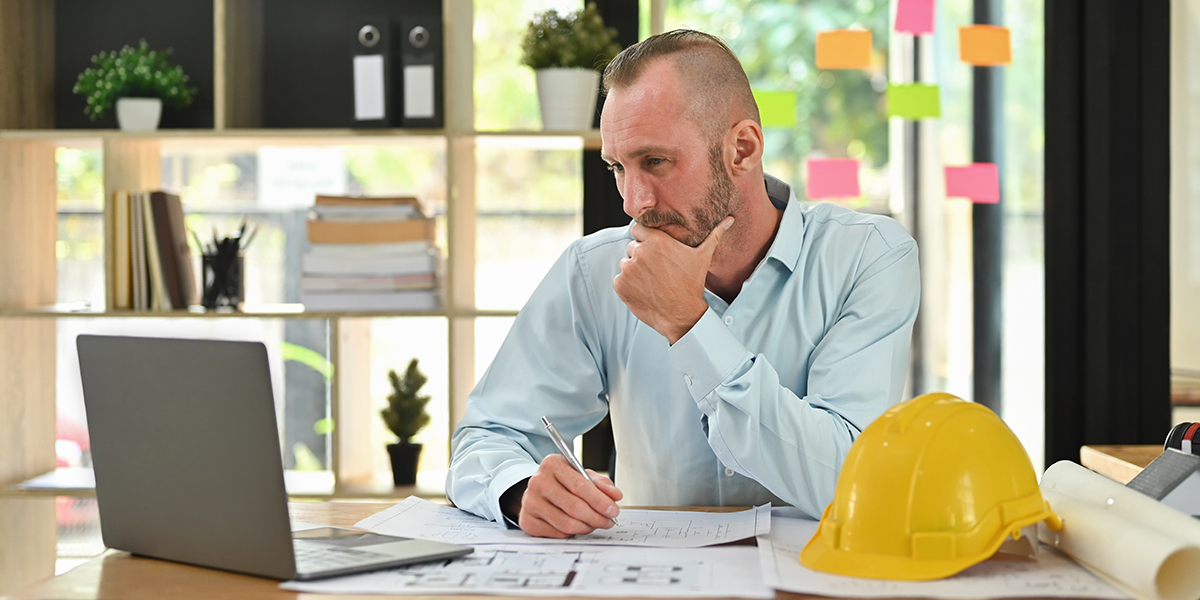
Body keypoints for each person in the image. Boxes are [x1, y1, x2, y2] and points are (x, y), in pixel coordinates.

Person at [447, 29, 920, 539]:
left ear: (742, 148)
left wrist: (688, 324)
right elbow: (486, 436)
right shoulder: (594, 269)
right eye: (618, 168)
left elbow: (845, 480)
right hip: (650, 581)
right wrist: (519, 491)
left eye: (655, 162)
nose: (634, 202)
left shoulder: (868, 256)